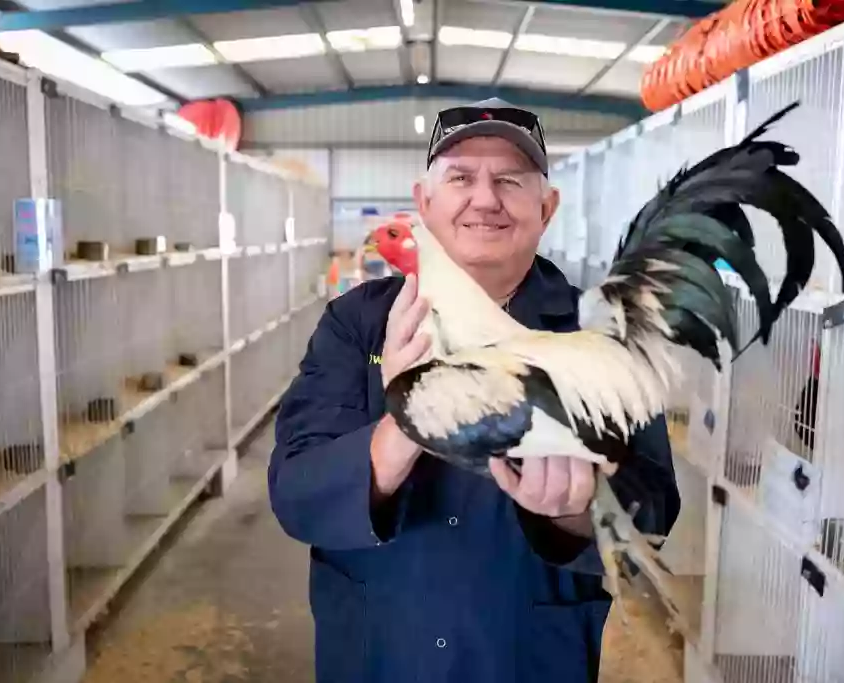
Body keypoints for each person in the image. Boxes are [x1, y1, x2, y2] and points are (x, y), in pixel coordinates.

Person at [268, 98, 680, 683]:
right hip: (378, 656)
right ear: (424, 202)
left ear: (547, 206)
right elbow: (296, 492)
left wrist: (577, 514)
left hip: (528, 659)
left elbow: (654, 509)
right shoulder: (355, 325)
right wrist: (405, 421)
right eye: (461, 177)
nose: (484, 198)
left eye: (510, 179)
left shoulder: (598, 334)